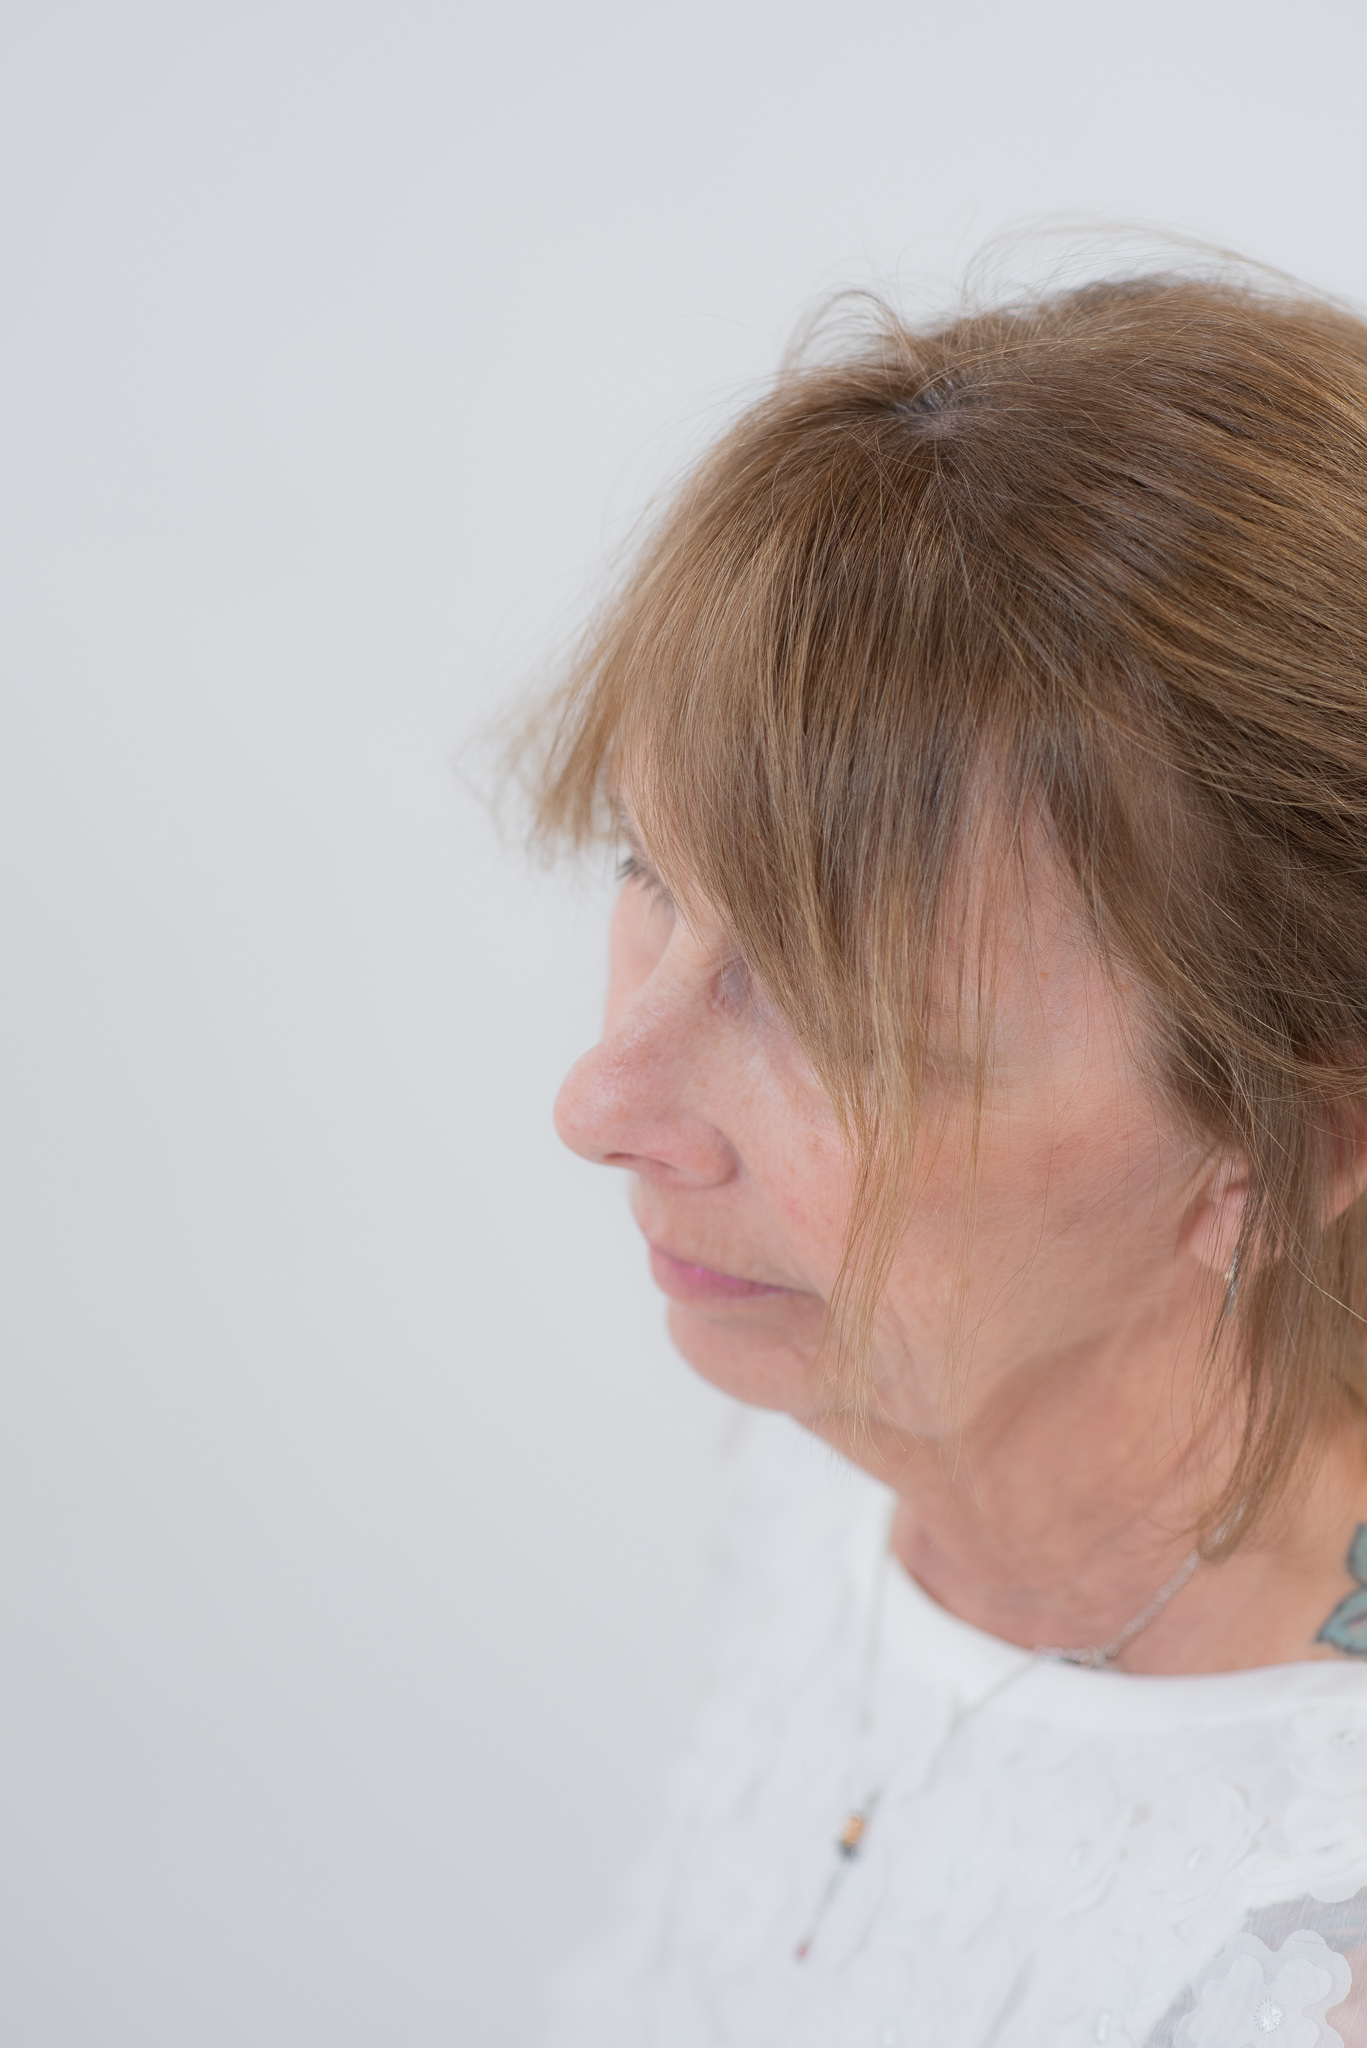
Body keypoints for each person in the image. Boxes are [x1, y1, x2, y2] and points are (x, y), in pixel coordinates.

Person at [529, 265, 1367, 2046]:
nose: (598, 1102)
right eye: (649, 871)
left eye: (829, 1009)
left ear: (1291, 1149)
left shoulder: (1321, 1941)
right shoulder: (820, 1468)